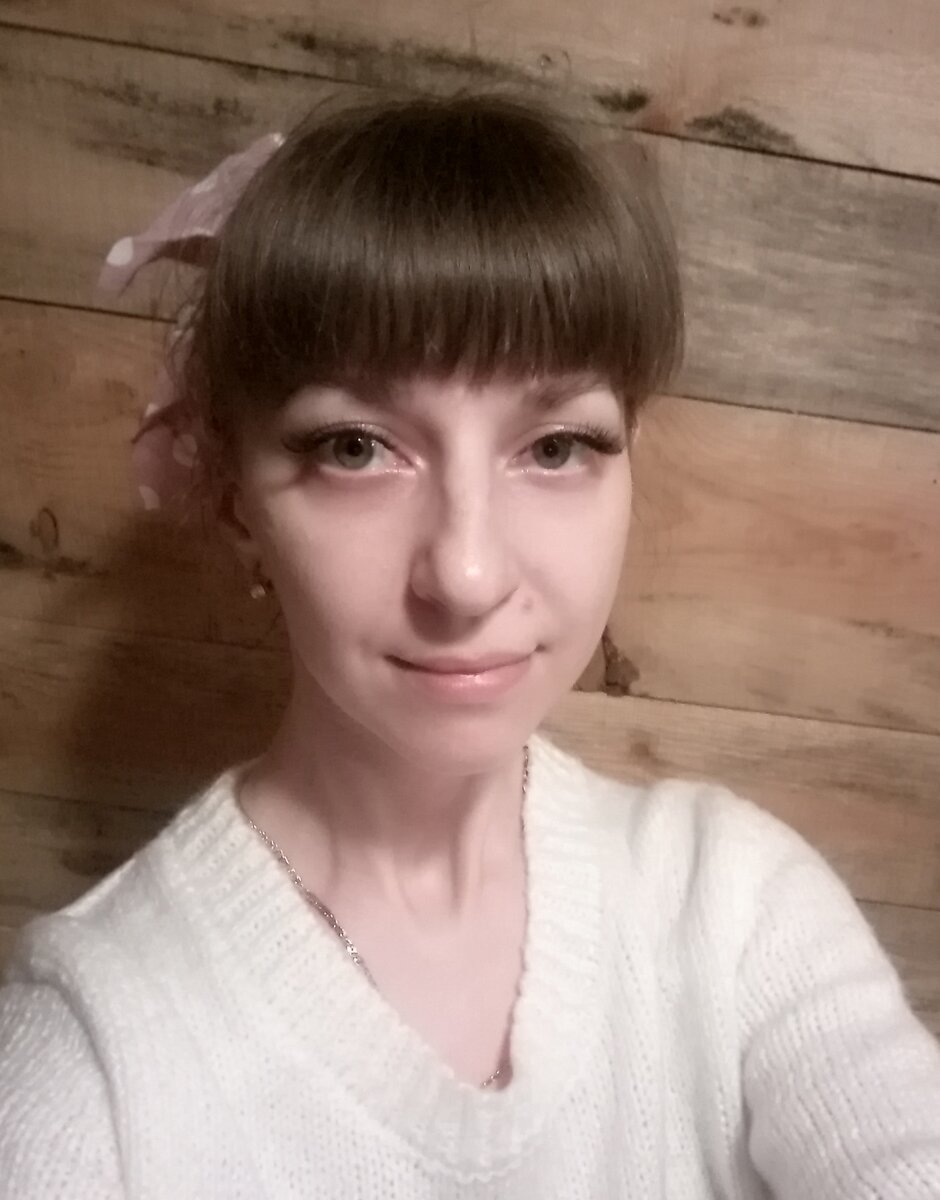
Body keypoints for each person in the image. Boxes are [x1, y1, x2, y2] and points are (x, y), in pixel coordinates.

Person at [1, 87, 938, 1199]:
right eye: (355, 447)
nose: (468, 574)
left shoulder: (731, 908)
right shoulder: (93, 1053)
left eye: (556, 447)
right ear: (236, 499)